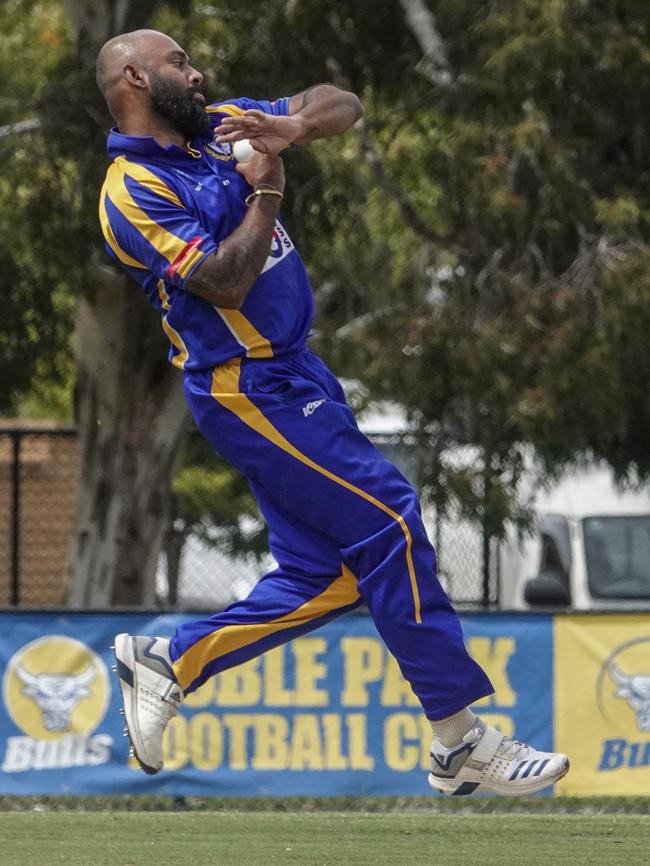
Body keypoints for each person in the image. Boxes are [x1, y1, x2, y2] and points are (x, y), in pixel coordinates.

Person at [97, 29, 568, 795]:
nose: (198, 70)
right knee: (390, 519)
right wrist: (269, 189)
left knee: (334, 578)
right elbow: (221, 283)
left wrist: (294, 126)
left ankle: (171, 661)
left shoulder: (223, 123)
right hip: (246, 388)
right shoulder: (131, 190)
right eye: (179, 61)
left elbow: (339, 103)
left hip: (297, 374)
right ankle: (460, 742)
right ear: (134, 77)